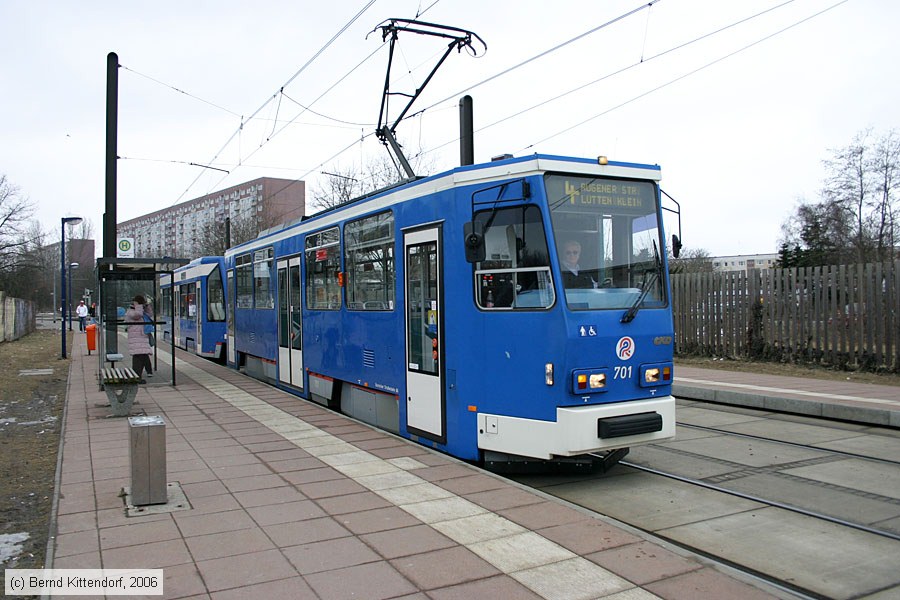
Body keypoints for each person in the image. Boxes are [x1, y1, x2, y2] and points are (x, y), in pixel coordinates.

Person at [124, 295, 154, 382]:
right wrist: (138, 305)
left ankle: (138, 376)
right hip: (136, 338)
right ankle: (136, 377)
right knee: (138, 357)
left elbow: (150, 314)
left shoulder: (141, 311)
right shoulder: (131, 312)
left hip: (141, 337)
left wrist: (147, 305)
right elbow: (138, 315)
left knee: (142, 356)